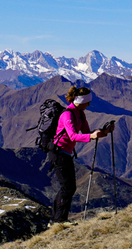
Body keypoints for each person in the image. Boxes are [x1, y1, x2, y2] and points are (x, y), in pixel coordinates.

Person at [49, 85, 114, 223]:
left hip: (65, 153)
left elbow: (86, 133)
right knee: (68, 187)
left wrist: (104, 132)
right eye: (87, 102)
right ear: (81, 101)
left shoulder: (80, 114)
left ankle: (56, 219)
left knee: (68, 187)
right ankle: (59, 220)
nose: (89, 105)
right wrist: (92, 136)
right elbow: (73, 136)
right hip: (59, 153)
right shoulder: (67, 114)